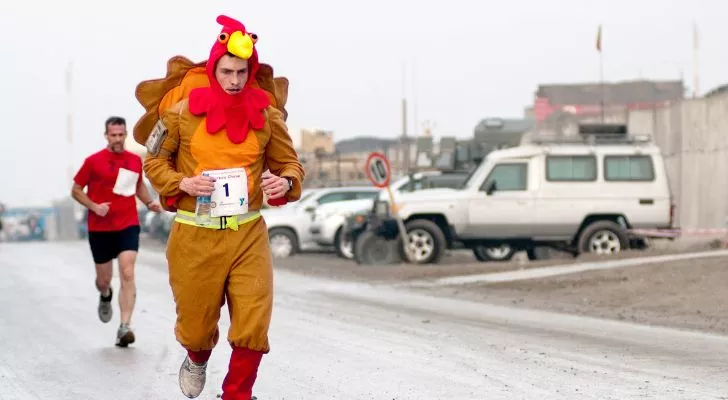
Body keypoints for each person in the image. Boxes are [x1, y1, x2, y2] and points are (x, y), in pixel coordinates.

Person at [135, 14, 304, 400]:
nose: (234, 81)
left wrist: (285, 181)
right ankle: (196, 357)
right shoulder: (178, 115)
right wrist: (183, 183)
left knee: (253, 322)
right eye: (227, 71)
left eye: (242, 72)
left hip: (247, 234)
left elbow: (291, 164)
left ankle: (236, 394)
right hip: (196, 234)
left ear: (250, 71)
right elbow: (153, 162)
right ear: (214, 69)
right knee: (196, 327)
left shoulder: (267, 116)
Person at [71, 116, 163, 347]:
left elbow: (139, 185)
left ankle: (125, 326)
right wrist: (94, 206)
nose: (118, 139)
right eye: (114, 135)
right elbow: (76, 189)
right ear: (106, 136)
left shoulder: (134, 160)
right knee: (104, 280)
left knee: (127, 271)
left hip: (127, 224)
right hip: (100, 228)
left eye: (122, 135)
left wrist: (150, 202)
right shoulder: (93, 161)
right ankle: (105, 295)